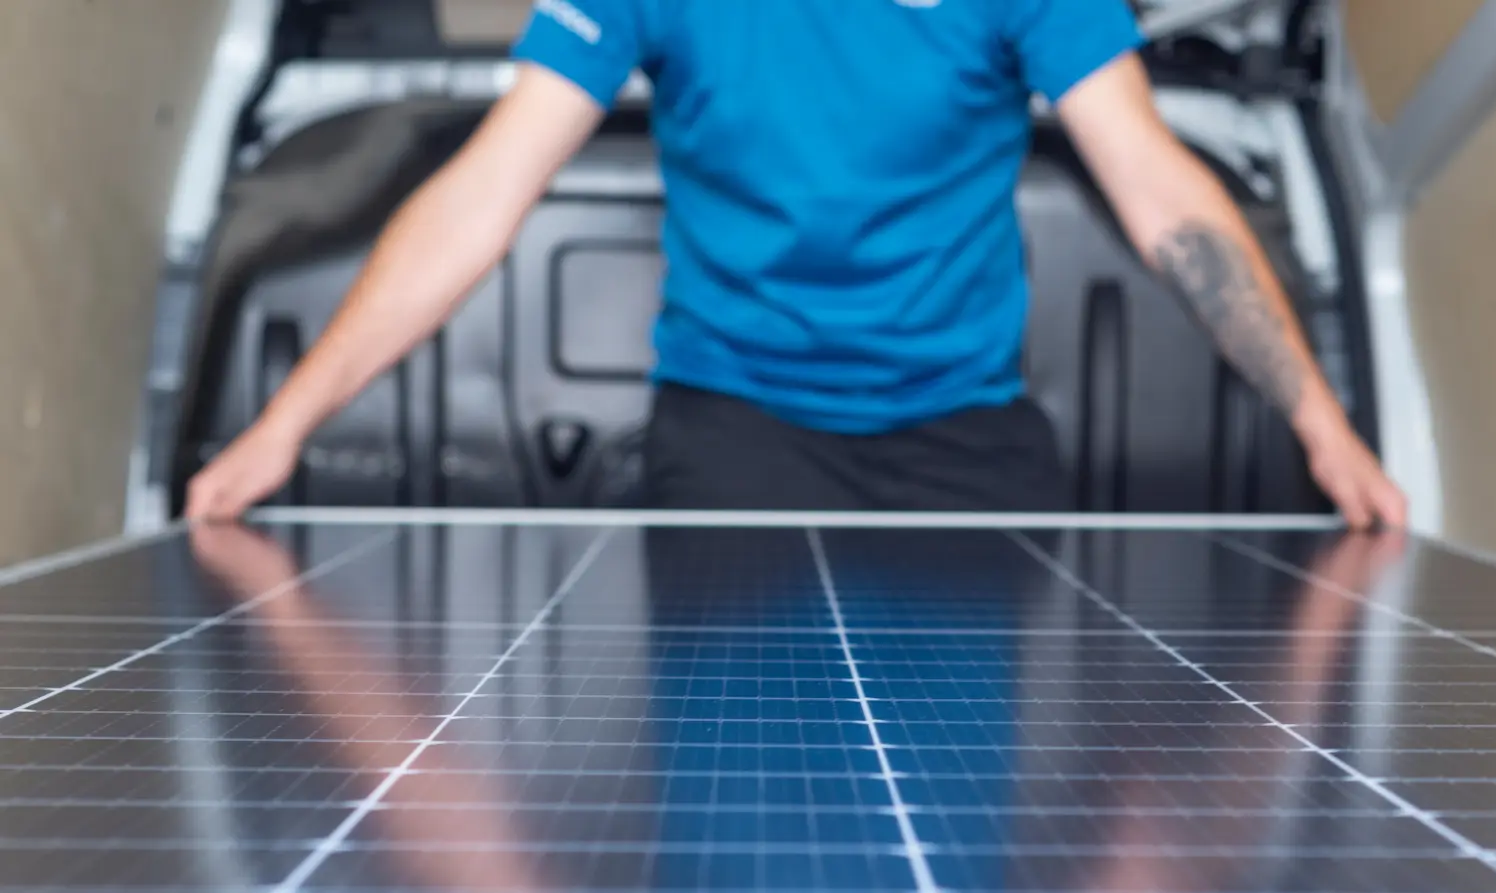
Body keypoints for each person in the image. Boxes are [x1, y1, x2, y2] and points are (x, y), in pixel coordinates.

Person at [185, 0, 1407, 527]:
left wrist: (1323, 423)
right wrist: (285, 423)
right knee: (748, 808)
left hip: (967, 446)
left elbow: (1163, 194)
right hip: (735, 438)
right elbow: (478, 198)